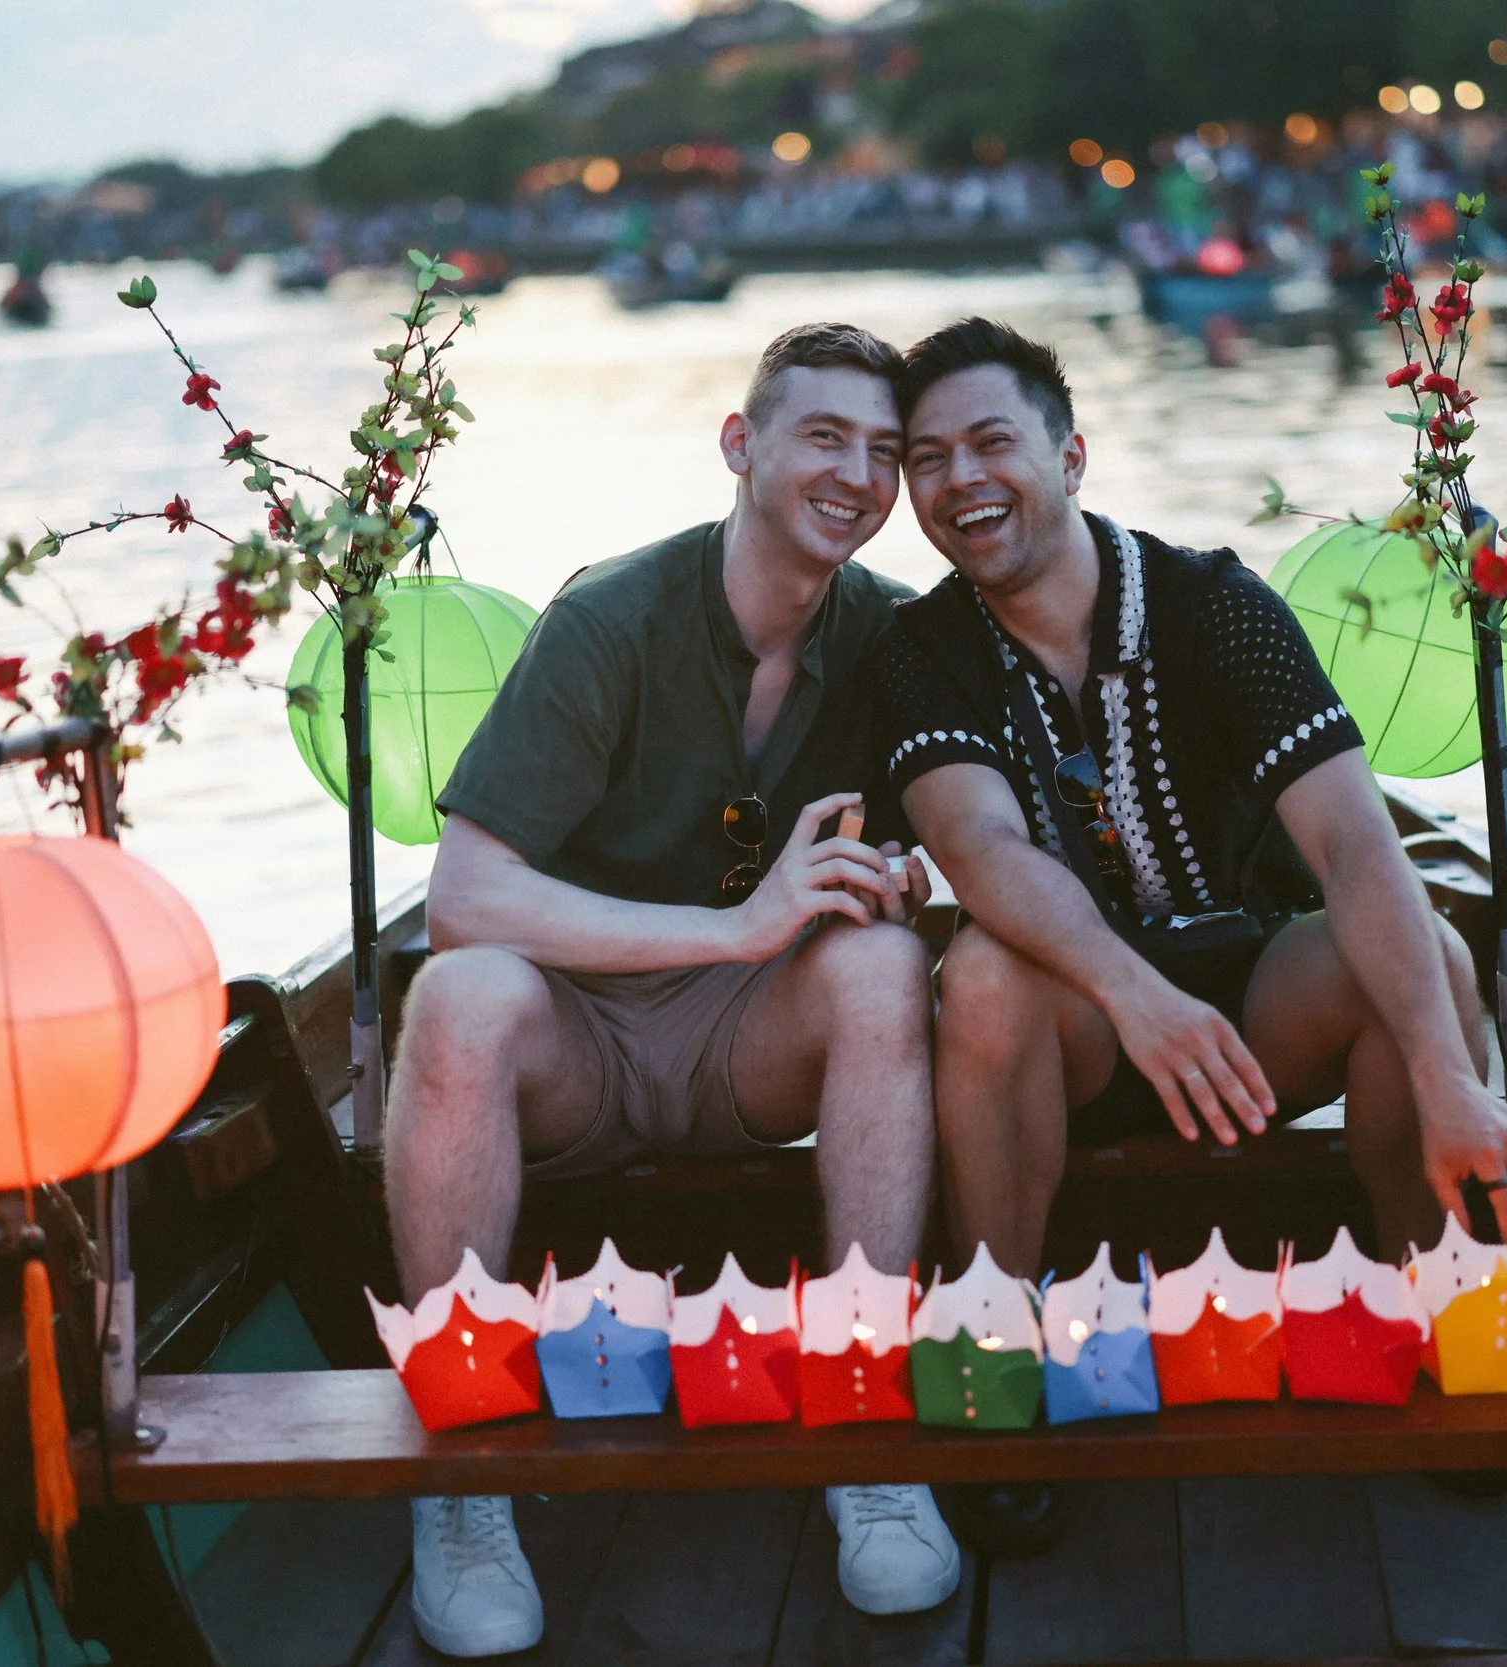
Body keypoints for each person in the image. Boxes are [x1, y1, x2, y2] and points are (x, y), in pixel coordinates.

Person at [386, 323, 959, 1657]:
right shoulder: (610, 620)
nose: (858, 475)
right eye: (825, 437)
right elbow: (461, 895)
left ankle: (867, 1425)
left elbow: (964, 826)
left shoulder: (891, 637)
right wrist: (738, 926)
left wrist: (914, 872)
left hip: (742, 1045)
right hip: (573, 1036)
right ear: (740, 445)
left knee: (879, 966)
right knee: (457, 997)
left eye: (883, 452)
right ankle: (460, 1478)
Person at [872, 317, 1507, 1280]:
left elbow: (1356, 844)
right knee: (982, 973)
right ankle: (995, 1320)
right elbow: (978, 848)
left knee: (1428, 958)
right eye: (929, 459)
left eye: (991, 442)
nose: (961, 479)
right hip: (1077, 1033)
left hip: (1261, 1007)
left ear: (1070, 459)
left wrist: (1450, 1078)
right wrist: (1134, 991)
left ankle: (1439, 1303)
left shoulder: (1218, 605)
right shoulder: (917, 650)